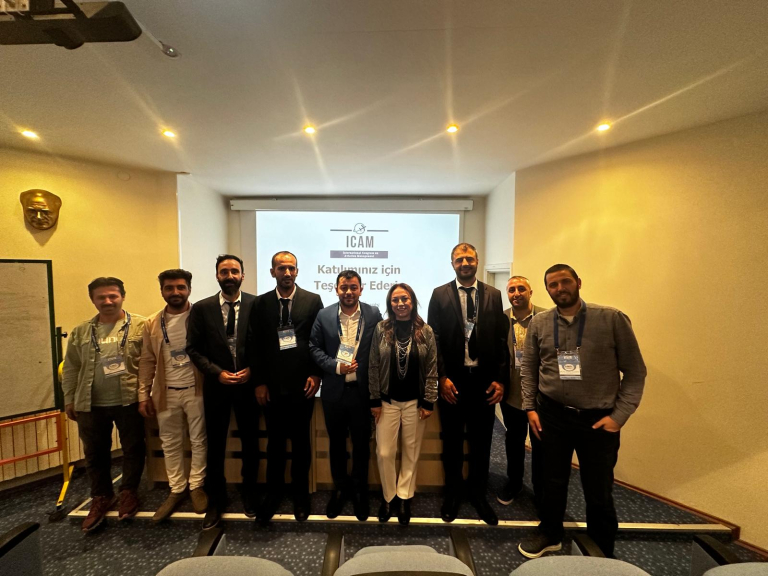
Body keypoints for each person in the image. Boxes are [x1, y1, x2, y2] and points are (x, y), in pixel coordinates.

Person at [518, 264, 646, 559]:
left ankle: (601, 549)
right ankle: (550, 533)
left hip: (597, 420)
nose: (560, 289)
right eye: (553, 285)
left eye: (565, 282)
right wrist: (530, 408)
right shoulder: (540, 323)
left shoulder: (611, 319)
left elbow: (635, 372)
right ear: (547, 290)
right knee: (551, 481)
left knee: (598, 489)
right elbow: (529, 369)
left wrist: (619, 416)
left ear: (578, 282)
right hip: (551, 415)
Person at [427, 243, 509, 526]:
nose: (465, 263)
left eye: (469, 259)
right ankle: (453, 494)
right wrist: (441, 377)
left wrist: (500, 379)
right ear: (452, 263)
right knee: (452, 442)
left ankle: (478, 494)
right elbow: (434, 339)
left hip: (484, 382)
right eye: (459, 259)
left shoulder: (493, 295)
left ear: (477, 261)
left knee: (481, 442)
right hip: (453, 381)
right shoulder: (439, 294)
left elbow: (501, 340)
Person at [62, 277, 146, 532]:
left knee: (133, 448)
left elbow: (151, 362)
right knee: (95, 453)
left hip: (130, 400)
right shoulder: (80, 331)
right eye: (101, 297)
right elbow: (71, 367)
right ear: (93, 300)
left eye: (113, 296)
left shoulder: (142, 325)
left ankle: (128, 492)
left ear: (123, 296)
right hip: (90, 403)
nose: (108, 301)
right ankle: (101, 496)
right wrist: (69, 398)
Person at [186, 254, 258, 530]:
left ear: (242, 275)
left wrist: (253, 369)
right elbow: (193, 348)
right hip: (217, 387)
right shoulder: (202, 308)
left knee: (250, 442)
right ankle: (216, 500)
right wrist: (217, 372)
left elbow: (264, 343)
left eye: (234, 271)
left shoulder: (256, 304)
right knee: (215, 444)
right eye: (224, 272)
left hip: (249, 386)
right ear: (217, 276)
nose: (230, 276)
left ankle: (250, 493)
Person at [252, 251, 323, 524]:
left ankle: (300, 494)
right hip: (271, 387)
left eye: (291, 268)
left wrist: (316, 374)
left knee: (301, 443)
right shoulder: (261, 303)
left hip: (302, 385)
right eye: (281, 268)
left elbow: (318, 341)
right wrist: (259, 382)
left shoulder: (312, 300)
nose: (287, 273)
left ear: (297, 271)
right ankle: (273, 493)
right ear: (273, 272)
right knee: (275, 443)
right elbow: (256, 344)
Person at [310, 270, 383, 521]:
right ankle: (340, 489)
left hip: (362, 393)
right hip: (334, 393)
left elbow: (380, 347)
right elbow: (314, 347)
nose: (349, 292)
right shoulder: (324, 315)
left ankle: (360, 491)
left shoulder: (373, 314)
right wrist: (335, 366)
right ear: (336, 289)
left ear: (361, 289)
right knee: (337, 444)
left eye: (353, 287)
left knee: (362, 445)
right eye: (344, 287)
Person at [138, 269, 208, 522]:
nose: (175, 292)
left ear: (189, 289)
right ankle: (176, 489)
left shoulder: (201, 316)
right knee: (170, 442)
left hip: (196, 390)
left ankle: (196, 486)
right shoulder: (152, 323)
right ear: (162, 291)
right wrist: (143, 394)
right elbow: (147, 360)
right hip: (165, 393)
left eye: (180, 287)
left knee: (199, 440)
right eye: (169, 288)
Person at [369, 283, 438, 525]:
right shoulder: (381, 329)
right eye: (395, 300)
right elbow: (373, 365)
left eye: (405, 299)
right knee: (384, 452)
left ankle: (404, 497)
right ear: (390, 304)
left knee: (411, 451)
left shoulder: (425, 330)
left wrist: (429, 401)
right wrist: (374, 399)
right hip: (387, 402)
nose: (400, 304)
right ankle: (389, 497)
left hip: (415, 403)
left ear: (412, 301)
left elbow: (432, 368)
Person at [496, 276, 546, 509]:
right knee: (514, 441)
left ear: (530, 292)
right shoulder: (501, 319)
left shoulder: (546, 317)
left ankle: (540, 488)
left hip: (541, 396)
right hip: (512, 394)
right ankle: (514, 483)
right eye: (511, 290)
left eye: (521, 289)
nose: (516, 293)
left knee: (540, 444)